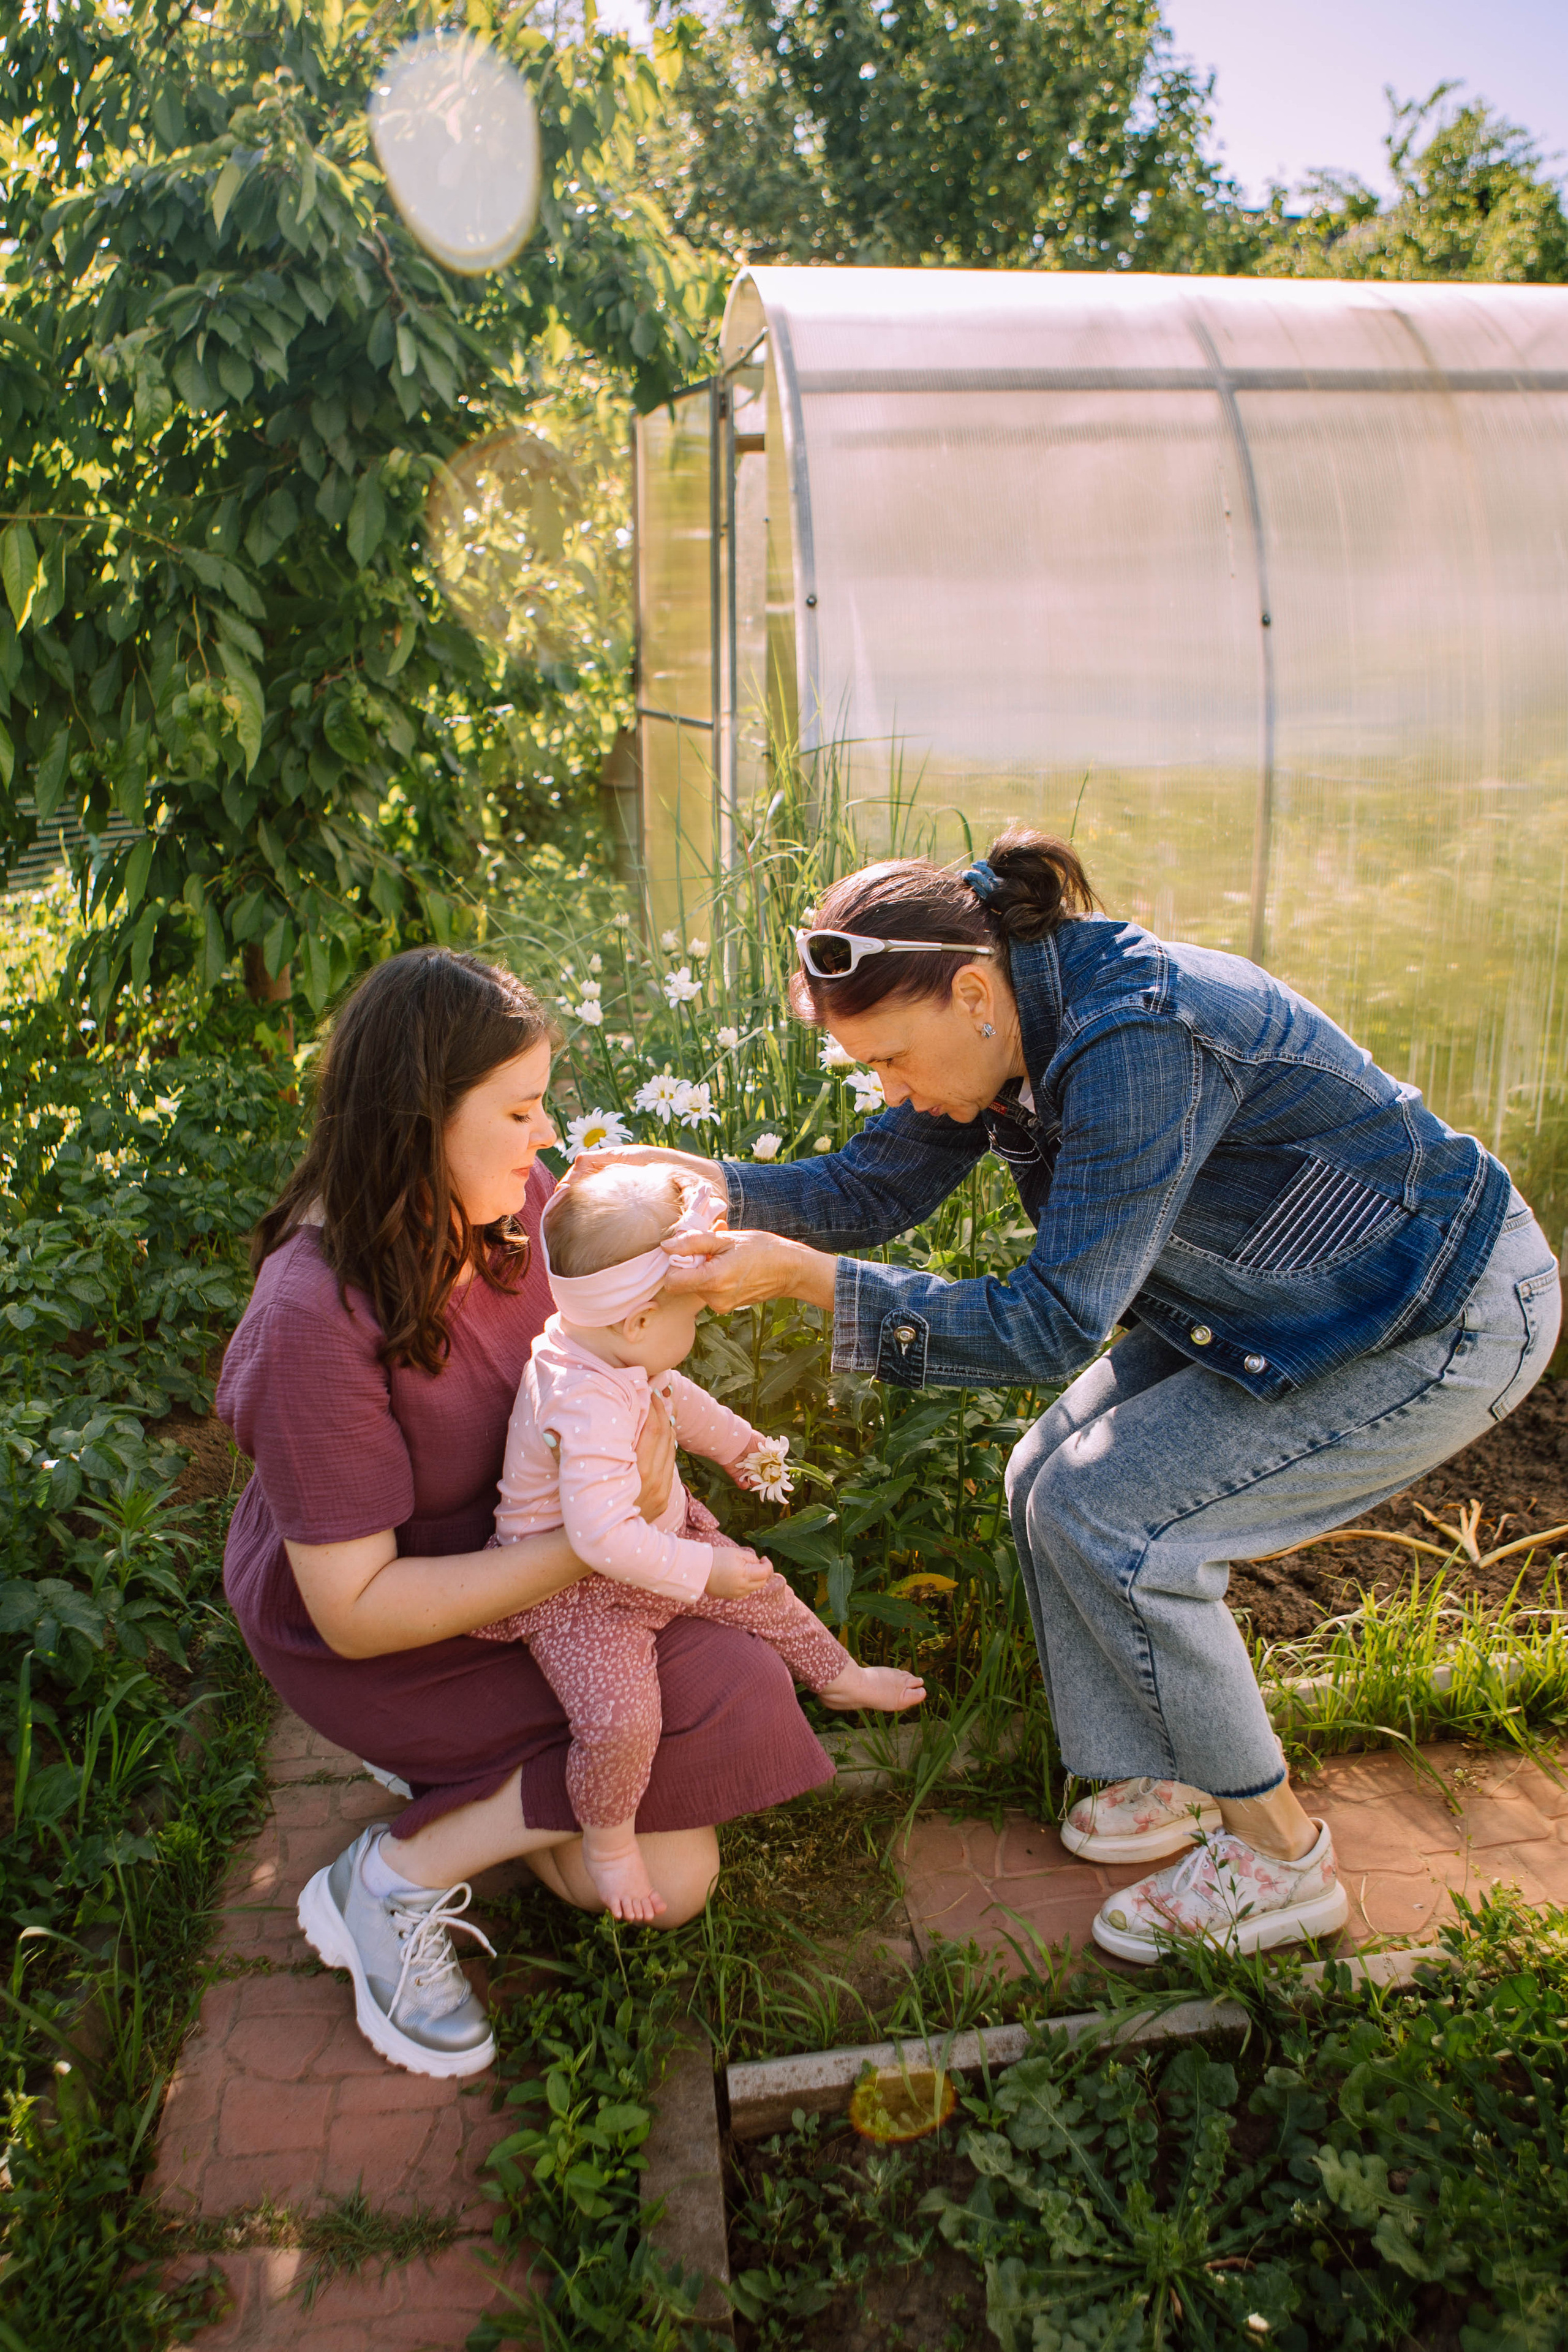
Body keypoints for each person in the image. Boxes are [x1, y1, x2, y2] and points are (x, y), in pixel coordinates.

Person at [589, 826, 1561, 1964]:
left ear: (969, 991)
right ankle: (1175, 1774)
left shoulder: (1138, 1039)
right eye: (873, 1074)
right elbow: (873, 1182)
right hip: (1279, 1295)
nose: (894, 1092)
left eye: (894, 1061)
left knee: (1121, 1526)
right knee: (1044, 1477)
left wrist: (811, 1284)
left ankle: (1281, 1862)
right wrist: (706, 1182)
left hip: (1436, 1312)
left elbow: (1052, 1321)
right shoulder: (1004, 1018)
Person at [216, 949, 839, 2081]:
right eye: (516, 1108)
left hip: (531, 1565)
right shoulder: (313, 1314)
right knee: (717, 1695)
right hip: (393, 1623)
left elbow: (613, 1332)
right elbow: (354, 1610)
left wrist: (693, 1261)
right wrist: (604, 1536)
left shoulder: (514, 1212)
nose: (546, 1138)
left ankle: (471, 1778)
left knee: (677, 1876)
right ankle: (388, 1885)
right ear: (418, 1121)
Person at [470, 1161, 924, 1923]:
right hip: (574, 1592)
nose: (701, 1325)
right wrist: (700, 1570)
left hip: (647, 1539)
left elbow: (677, 1397)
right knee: (620, 1719)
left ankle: (837, 1676)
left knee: (768, 1590)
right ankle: (607, 1843)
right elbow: (597, 1538)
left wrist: (745, 1451)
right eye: (693, 1314)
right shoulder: (580, 1400)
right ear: (640, 1322)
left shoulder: (609, 1349)